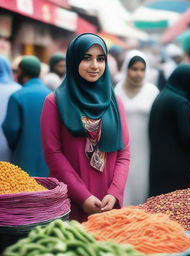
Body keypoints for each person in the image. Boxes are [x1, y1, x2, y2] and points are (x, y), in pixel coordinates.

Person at [40, 33, 130, 222]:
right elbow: (53, 154)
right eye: (86, 58)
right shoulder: (54, 102)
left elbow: (124, 153)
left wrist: (114, 192)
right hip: (72, 198)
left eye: (100, 59)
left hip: (108, 201)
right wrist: (83, 196)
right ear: (73, 60)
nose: (95, 66)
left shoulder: (115, 102)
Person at [149, 63, 190, 197]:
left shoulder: (163, 95)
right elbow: (187, 138)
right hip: (176, 166)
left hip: (159, 162)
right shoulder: (180, 103)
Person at [115, 50, 159, 205]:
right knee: (122, 184)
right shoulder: (117, 90)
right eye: (134, 69)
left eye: (142, 69)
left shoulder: (152, 91)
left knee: (142, 184)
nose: (138, 73)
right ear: (126, 68)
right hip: (121, 148)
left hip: (145, 148)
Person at [2, 56, 51, 177]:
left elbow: (11, 128)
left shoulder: (17, 96)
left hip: (23, 160)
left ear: (22, 73)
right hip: (49, 162)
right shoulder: (52, 95)